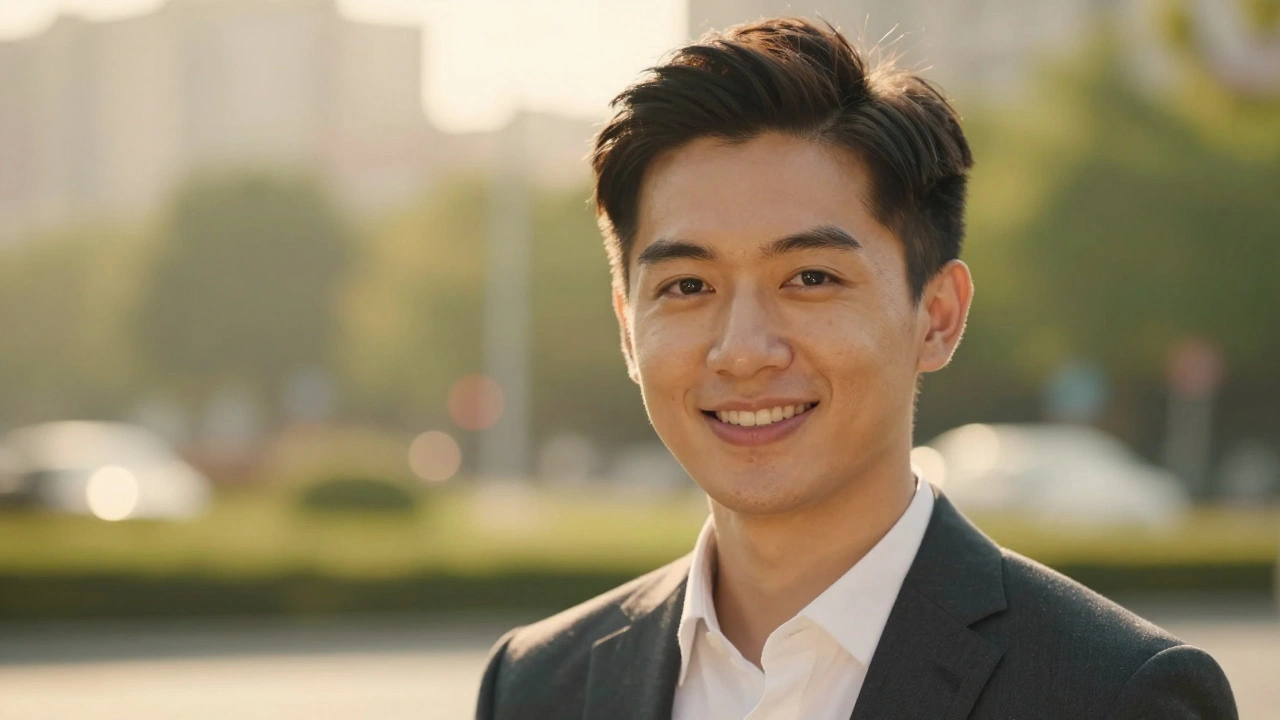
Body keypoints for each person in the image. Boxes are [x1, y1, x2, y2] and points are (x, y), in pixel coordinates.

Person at [474, 16, 1237, 720]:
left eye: (810, 278)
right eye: (688, 286)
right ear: (627, 328)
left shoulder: (1115, 694)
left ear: (937, 315)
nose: (743, 350)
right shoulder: (538, 685)